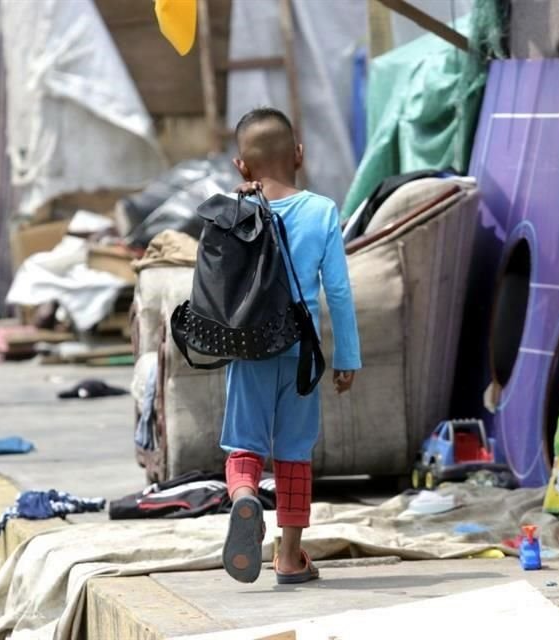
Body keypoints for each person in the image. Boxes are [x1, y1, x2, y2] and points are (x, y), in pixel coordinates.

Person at [221, 107, 361, 585]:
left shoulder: (232, 208)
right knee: (294, 453)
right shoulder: (321, 210)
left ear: (242, 166)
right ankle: (289, 557)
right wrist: (347, 356)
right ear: (299, 155)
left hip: (247, 347)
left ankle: (243, 497)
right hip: (301, 352)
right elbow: (338, 291)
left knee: (245, 445)